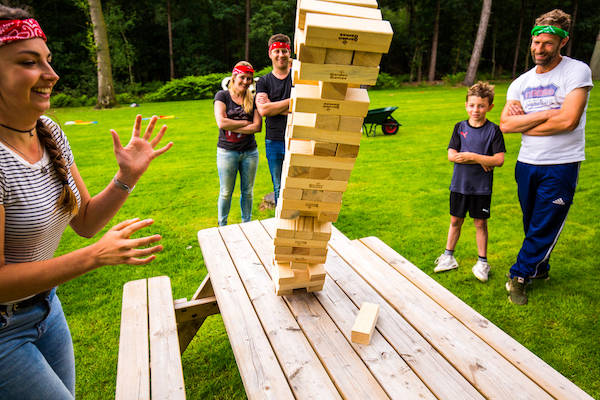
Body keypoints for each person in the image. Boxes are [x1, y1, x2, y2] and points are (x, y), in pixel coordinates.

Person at [0, 6, 172, 399]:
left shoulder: (49, 133)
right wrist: (93, 257)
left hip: (46, 308)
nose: (51, 74)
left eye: (48, 60)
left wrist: (126, 177)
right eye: (29, 62)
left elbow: (86, 221)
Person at [500, 9, 593, 305]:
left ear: (562, 43)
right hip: (527, 163)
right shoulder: (520, 83)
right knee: (533, 222)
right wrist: (547, 114)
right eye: (536, 43)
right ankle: (541, 269)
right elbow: (506, 125)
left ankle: (520, 275)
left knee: (545, 222)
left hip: (561, 163)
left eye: (548, 44)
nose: (540, 49)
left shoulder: (576, 71)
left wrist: (528, 122)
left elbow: (568, 121)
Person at [435, 82, 506, 282]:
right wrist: (484, 159)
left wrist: (474, 157)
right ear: (466, 105)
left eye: (481, 106)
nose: (476, 110)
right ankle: (448, 257)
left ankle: (482, 262)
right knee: (455, 220)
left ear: (490, 107)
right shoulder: (460, 127)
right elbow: (452, 155)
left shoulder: (494, 131)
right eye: (472, 105)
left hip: (481, 188)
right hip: (459, 185)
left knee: (480, 223)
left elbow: (499, 160)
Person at [213, 61, 262, 226]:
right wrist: (244, 124)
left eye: (249, 78)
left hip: (250, 152)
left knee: (247, 192)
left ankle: (246, 224)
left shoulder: (253, 99)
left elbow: (257, 127)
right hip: (227, 152)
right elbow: (221, 122)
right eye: (243, 77)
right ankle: (222, 225)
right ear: (234, 77)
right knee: (226, 192)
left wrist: (232, 122)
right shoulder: (222, 96)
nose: (246, 81)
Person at [255, 33, 292, 205]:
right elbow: (263, 110)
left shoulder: (297, 78)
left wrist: (274, 107)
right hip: (274, 140)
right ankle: (281, 221)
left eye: (284, 51)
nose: (280, 55)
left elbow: (307, 107)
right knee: (278, 185)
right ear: (270, 53)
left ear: (289, 52)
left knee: (297, 182)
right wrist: (293, 103)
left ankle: (298, 219)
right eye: (276, 51)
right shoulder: (263, 81)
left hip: (297, 137)